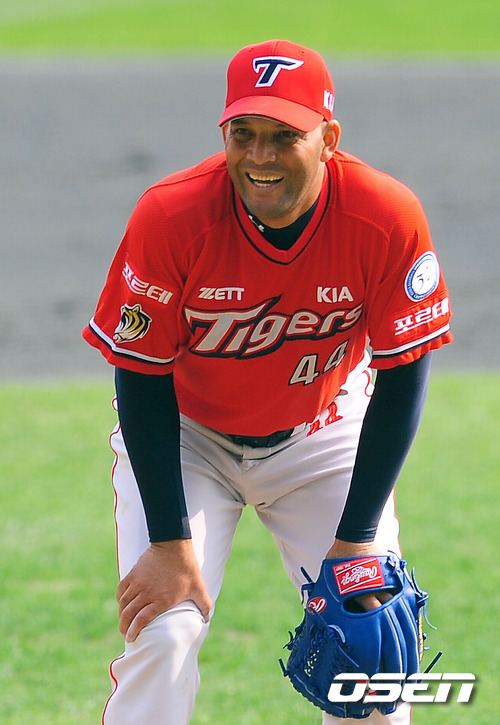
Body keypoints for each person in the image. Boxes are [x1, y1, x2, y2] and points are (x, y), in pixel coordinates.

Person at [83, 39, 452, 725]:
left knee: (371, 648)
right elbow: (140, 374)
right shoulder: (173, 216)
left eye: (285, 135)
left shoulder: (384, 215)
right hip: (188, 440)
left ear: (328, 139)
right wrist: (169, 542)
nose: (260, 156)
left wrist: (356, 539)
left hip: (322, 437)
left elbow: (402, 378)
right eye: (243, 134)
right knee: (166, 631)